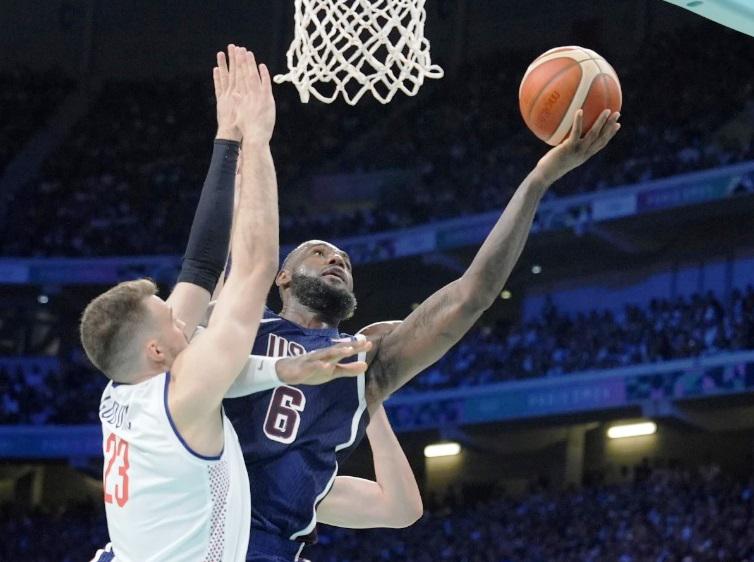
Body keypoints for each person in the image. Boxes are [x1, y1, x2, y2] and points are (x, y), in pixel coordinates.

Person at [225, 108, 622, 561]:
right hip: (191, 527)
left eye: (346, 262)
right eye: (319, 253)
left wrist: (538, 181)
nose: (336, 260)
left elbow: (470, 296)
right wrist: (240, 153)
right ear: (282, 277)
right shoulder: (244, 324)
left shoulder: (363, 363)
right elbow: (236, 248)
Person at [83, 46, 369, 562]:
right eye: (171, 321)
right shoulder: (181, 396)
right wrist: (257, 139)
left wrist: (226, 139)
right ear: (157, 351)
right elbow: (254, 269)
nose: (183, 318)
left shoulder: (124, 387)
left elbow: (200, 267)